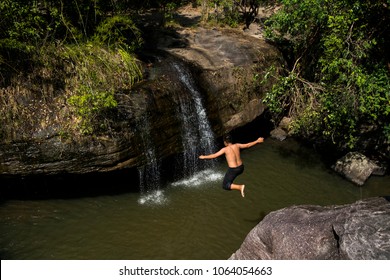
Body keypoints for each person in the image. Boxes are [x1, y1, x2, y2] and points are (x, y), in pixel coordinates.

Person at [199, 134, 264, 197]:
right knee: (229, 181)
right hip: (241, 168)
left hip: (234, 170)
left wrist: (204, 157)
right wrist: (257, 141)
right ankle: (239, 187)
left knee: (225, 185)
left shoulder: (225, 149)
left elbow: (214, 155)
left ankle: (240, 187)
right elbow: (247, 145)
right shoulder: (237, 145)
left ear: (225, 142)